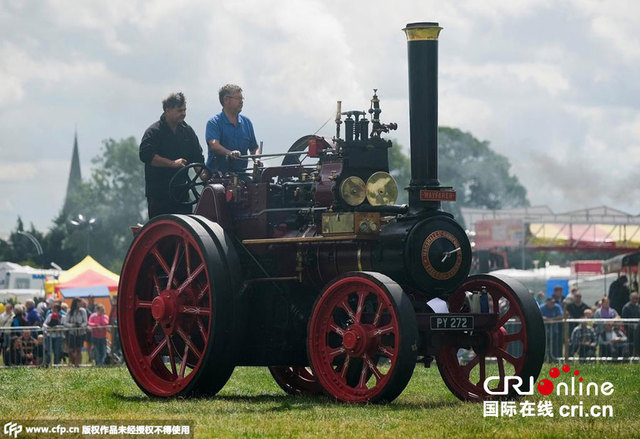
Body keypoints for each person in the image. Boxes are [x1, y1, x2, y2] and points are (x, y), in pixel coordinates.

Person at [140, 92, 205, 218]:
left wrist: (203, 174)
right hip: (159, 196)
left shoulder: (188, 132)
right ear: (167, 110)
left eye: (184, 110)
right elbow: (146, 155)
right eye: (179, 110)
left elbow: (197, 157)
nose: (183, 113)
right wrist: (172, 164)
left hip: (182, 195)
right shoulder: (154, 132)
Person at [205, 84, 259, 174]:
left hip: (241, 175)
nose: (241, 102)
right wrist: (230, 153)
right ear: (226, 100)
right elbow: (214, 145)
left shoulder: (247, 123)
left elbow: (254, 148)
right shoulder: (214, 123)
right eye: (238, 98)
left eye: (242, 99)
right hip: (218, 177)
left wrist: (257, 159)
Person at [64, 298, 87, 366]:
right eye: (79, 302)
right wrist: (72, 325)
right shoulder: (69, 311)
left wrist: (81, 325)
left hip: (80, 333)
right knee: (70, 350)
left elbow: (85, 322)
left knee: (78, 349)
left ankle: (78, 365)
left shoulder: (83, 311)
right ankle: (73, 363)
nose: (80, 304)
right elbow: (65, 323)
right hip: (72, 333)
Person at [621, 292, 640, 356]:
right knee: (631, 344)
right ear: (631, 299)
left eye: (637, 298)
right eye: (635, 298)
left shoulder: (638, 307)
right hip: (630, 330)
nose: (636, 300)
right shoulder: (626, 307)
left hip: (638, 329)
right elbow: (625, 320)